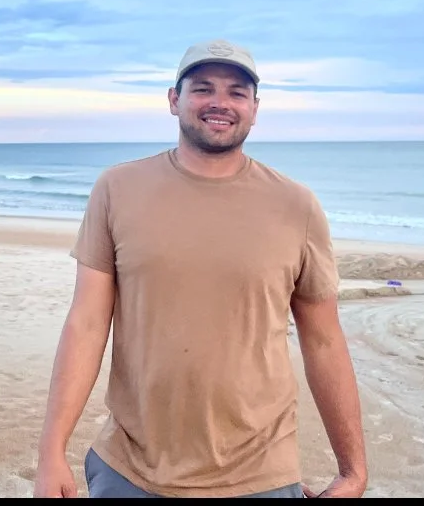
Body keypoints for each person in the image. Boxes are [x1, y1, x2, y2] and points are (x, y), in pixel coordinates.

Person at [33, 40, 367, 499]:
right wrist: (52, 451)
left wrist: (353, 470)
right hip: (130, 469)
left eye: (236, 92)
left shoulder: (297, 206)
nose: (220, 103)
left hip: (259, 472)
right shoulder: (118, 189)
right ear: (174, 99)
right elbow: (87, 324)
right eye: (203, 88)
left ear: (254, 108)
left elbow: (324, 338)